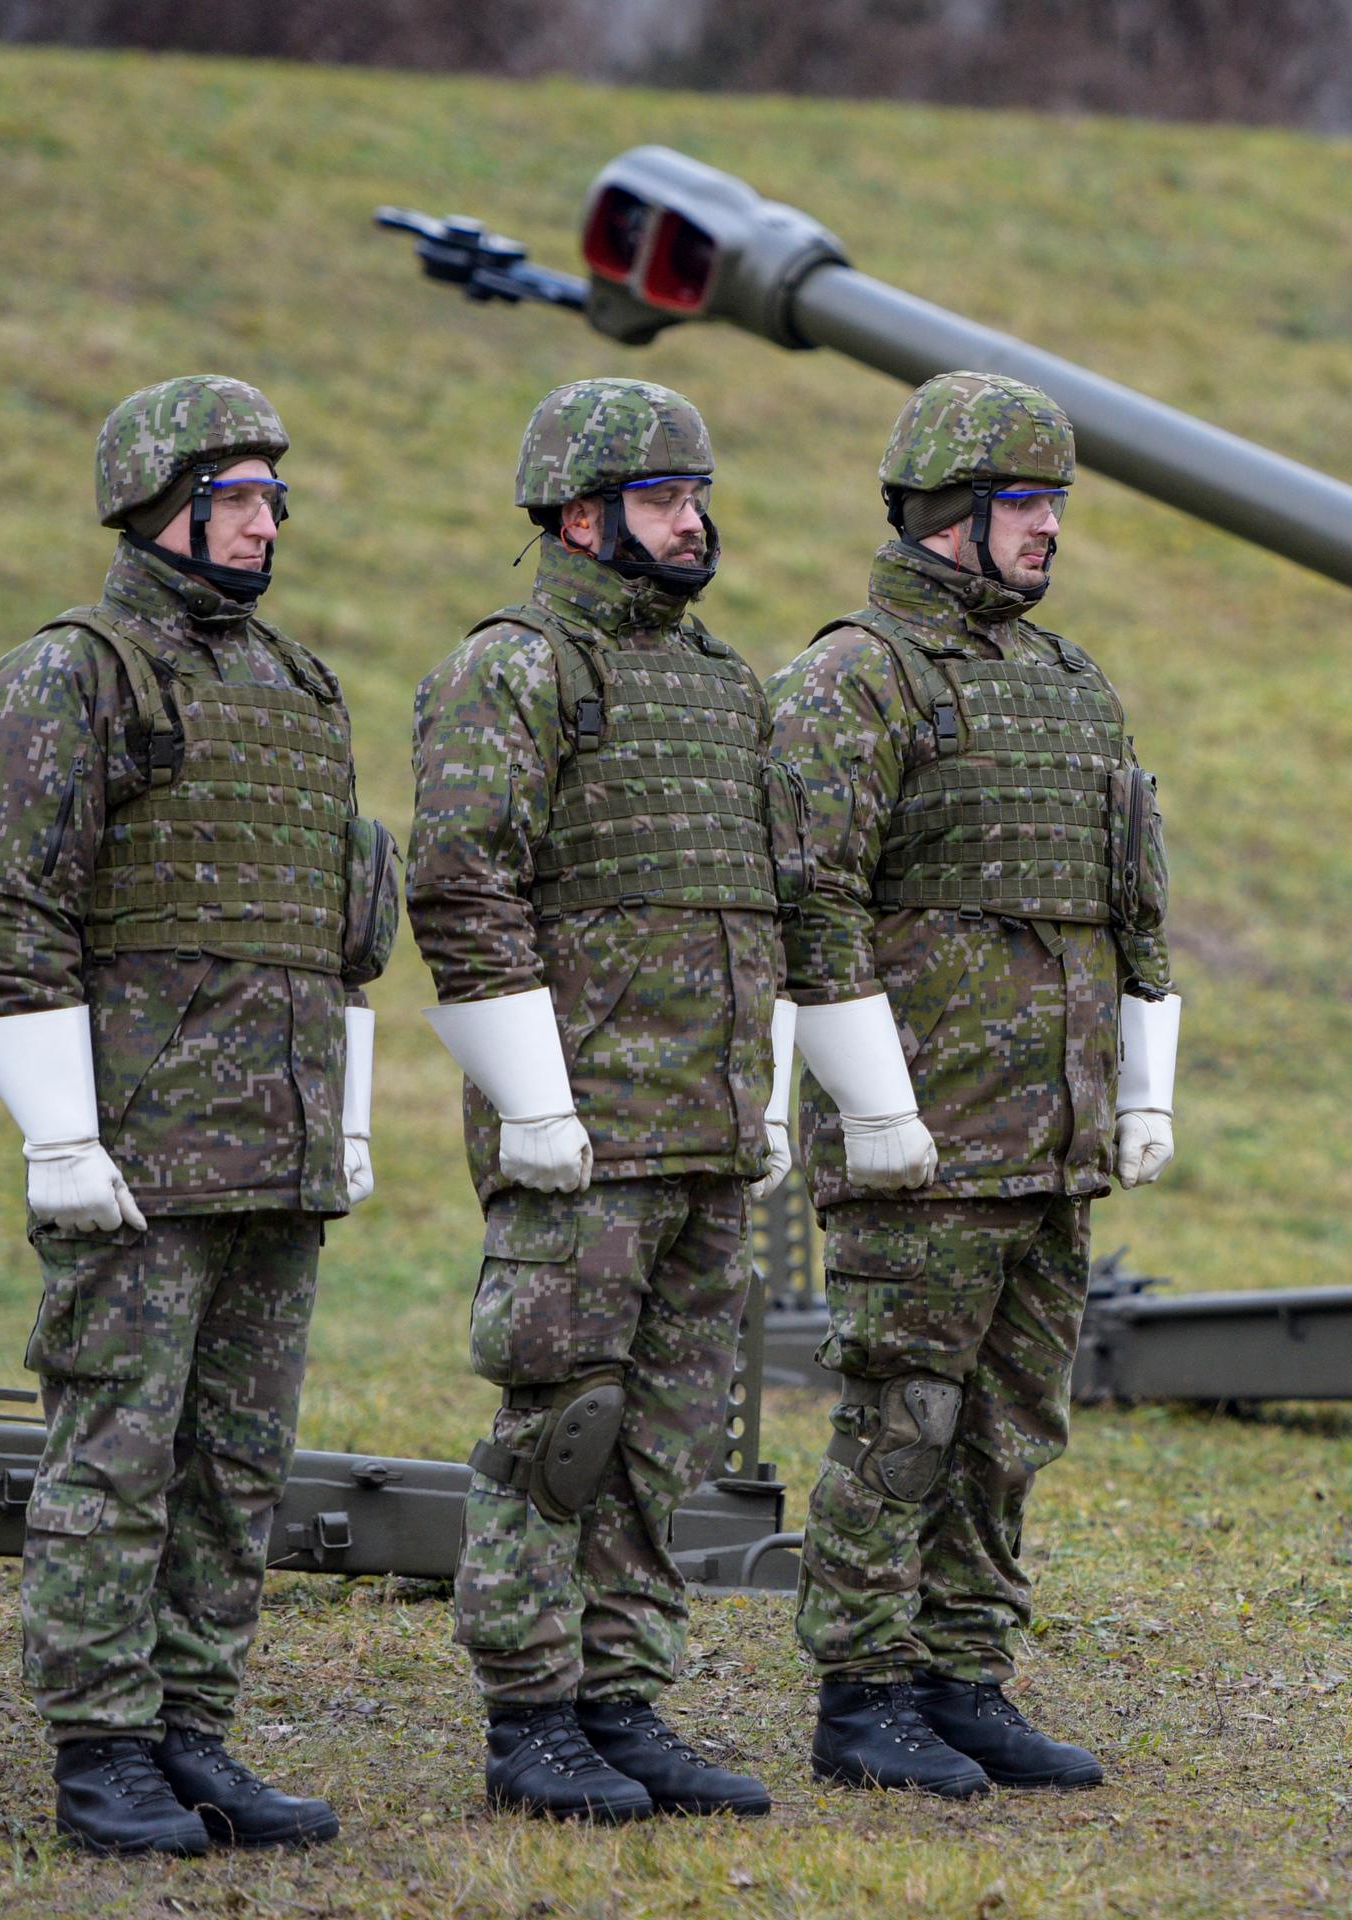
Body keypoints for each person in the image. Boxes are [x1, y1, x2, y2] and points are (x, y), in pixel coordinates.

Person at [0, 374, 398, 1855]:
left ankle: (194, 1731)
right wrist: (60, 1136)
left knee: (235, 1464)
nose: (269, 522)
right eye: (240, 494)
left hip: (274, 1142)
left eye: (277, 494)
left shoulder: (298, 686)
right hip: (138, 1151)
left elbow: (342, 928)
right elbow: (14, 917)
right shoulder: (67, 676)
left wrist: (342, 1116)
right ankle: (101, 1749)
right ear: (158, 503)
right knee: (116, 1457)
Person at [767, 371, 1181, 1798]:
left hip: (1051, 1133)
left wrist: (1140, 1086)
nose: (1050, 530)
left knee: (1012, 1423)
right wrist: (873, 1109)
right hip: (927, 1138)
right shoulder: (853, 678)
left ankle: (965, 1673)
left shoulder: (1069, 686)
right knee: (905, 1411)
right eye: (1025, 504)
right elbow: (809, 904)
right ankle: (862, 1691)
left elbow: (1131, 903)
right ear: (949, 513)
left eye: (1055, 503)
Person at [407, 378, 786, 1823]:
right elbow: (461, 882)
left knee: (664, 1436)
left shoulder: (719, 679)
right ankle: (531, 1717)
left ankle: (623, 1701)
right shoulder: (512, 668)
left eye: (697, 498)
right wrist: (534, 1101)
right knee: (557, 1428)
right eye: (663, 500)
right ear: (581, 515)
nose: (695, 524)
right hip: (584, 1130)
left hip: (704, 1125)